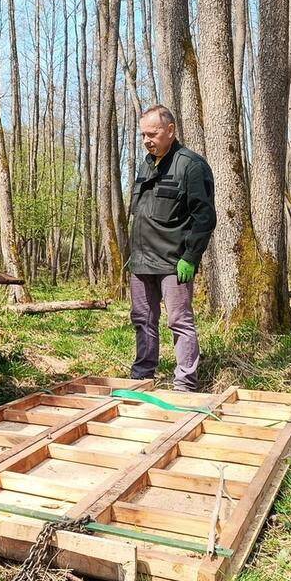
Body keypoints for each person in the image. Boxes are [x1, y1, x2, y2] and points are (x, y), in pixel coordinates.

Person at [127, 105, 216, 391]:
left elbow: (204, 217)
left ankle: (185, 384)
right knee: (142, 320)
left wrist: (190, 256)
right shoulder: (146, 164)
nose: (146, 140)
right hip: (140, 262)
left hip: (173, 262)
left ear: (170, 130)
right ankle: (143, 375)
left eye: (152, 134)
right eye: (143, 135)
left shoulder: (190, 165)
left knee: (179, 322)